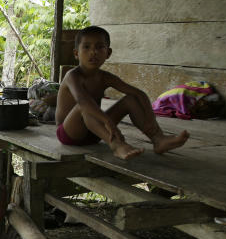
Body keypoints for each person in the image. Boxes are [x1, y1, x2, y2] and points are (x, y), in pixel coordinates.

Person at [56, 25, 190, 160]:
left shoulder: (105, 77)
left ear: (108, 53)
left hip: (95, 133)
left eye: (99, 47)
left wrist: (150, 118)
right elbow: (83, 101)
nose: (93, 52)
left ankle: (158, 139)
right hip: (70, 134)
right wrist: (107, 121)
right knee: (84, 107)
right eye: (86, 47)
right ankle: (116, 145)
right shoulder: (72, 76)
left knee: (130, 99)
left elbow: (139, 94)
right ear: (76, 53)